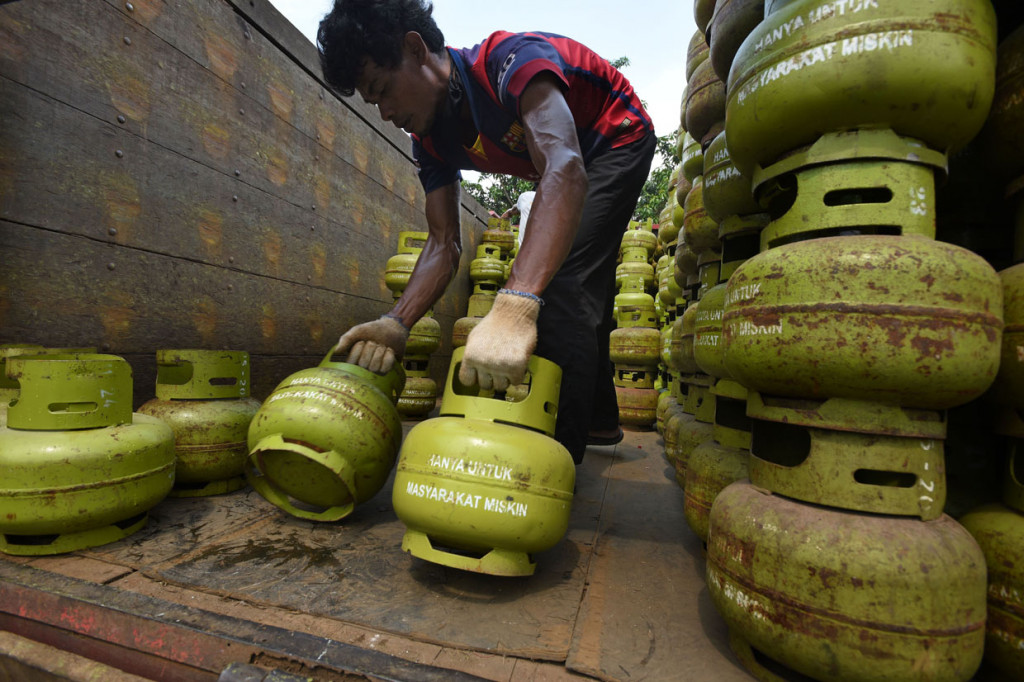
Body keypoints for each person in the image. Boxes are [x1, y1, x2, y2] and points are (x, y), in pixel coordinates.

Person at [318, 0, 655, 463]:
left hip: (614, 136)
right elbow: (443, 243)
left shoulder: (506, 62)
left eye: (382, 90)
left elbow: (564, 165)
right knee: (575, 281)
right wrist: (396, 322)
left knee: (561, 282)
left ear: (415, 50)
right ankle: (597, 419)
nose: (385, 113)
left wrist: (516, 304)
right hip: (566, 164)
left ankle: (552, 460)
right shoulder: (429, 140)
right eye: (372, 103)